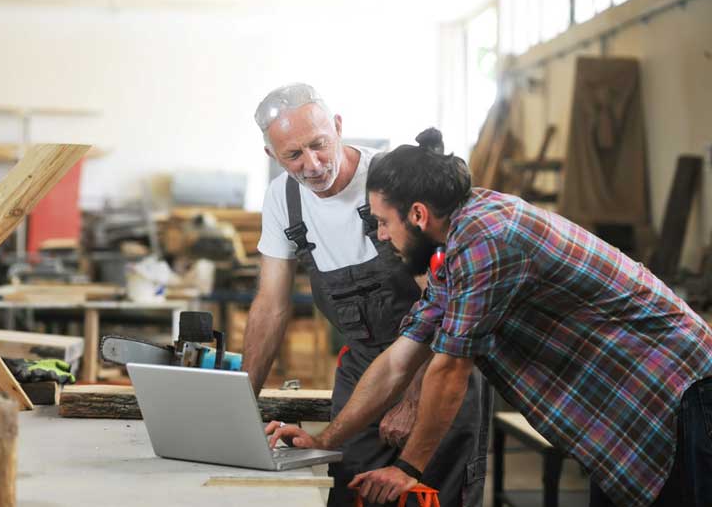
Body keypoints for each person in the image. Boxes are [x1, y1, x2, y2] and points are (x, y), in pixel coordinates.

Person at [266, 127, 712, 507]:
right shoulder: (455, 246)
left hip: (677, 392)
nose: (380, 235)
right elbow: (400, 360)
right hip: (625, 407)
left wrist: (407, 468)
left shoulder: (487, 238)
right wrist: (325, 442)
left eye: (383, 222)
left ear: (418, 214)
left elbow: (450, 367)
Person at [243, 85, 492, 506]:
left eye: (319, 145)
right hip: (363, 370)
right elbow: (270, 307)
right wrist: (240, 410)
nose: (313, 164)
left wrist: (413, 396)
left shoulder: (393, 180)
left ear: (338, 127)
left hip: (437, 363)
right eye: (294, 156)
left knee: (430, 495)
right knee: (350, 492)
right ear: (272, 156)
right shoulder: (283, 200)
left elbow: (446, 307)